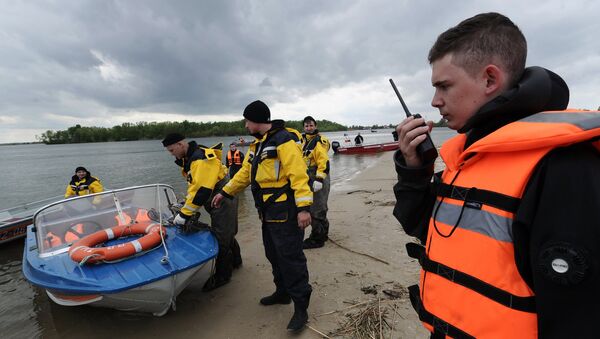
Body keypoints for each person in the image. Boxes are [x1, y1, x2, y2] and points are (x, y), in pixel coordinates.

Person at [393, 12, 600, 338]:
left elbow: (579, 316)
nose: (435, 101)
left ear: (490, 79)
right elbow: (426, 230)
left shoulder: (562, 165)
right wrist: (414, 171)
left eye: (444, 86)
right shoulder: (469, 153)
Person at [211, 100, 313, 332]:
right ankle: (282, 292)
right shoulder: (257, 146)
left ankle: (301, 307)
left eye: (247, 121)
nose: (246, 125)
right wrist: (225, 192)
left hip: (286, 211)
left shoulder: (284, 140)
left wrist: (304, 208)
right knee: (273, 254)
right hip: (267, 213)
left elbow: (299, 175)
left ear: (257, 120)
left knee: (291, 258)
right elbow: (245, 174)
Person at [162, 133, 242, 291]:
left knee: (222, 236)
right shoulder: (192, 157)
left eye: (172, 150)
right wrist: (186, 205)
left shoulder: (199, 158)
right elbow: (195, 187)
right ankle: (236, 262)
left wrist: (184, 214)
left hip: (222, 197)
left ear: (180, 144)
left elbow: (202, 190)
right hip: (216, 197)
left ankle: (222, 276)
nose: (171, 154)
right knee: (226, 231)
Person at [301, 116, 331, 249]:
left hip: (318, 175)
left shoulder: (319, 141)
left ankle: (317, 239)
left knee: (317, 207)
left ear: (315, 125)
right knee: (316, 205)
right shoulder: (303, 140)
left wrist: (319, 179)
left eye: (311, 125)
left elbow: (324, 161)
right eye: (306, 126)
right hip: (308, 175)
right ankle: (323, 233)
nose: (309, 128)